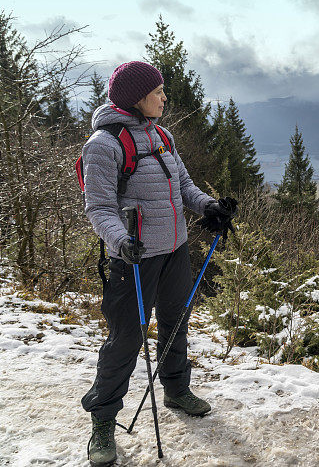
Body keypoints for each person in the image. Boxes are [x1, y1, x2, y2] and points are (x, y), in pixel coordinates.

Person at [80, 61, 237, 466]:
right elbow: (98, 207)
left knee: (175, 320)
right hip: (133, 259)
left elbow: (183, 184)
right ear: (137, 98)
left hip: (174, 250)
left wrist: (209, 206)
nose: (165, 97)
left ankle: (176, 390)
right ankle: (103, 420)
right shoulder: (104, 144)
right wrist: (120, 241)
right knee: (126, 339)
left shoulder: (161, 135)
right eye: (158, 92)